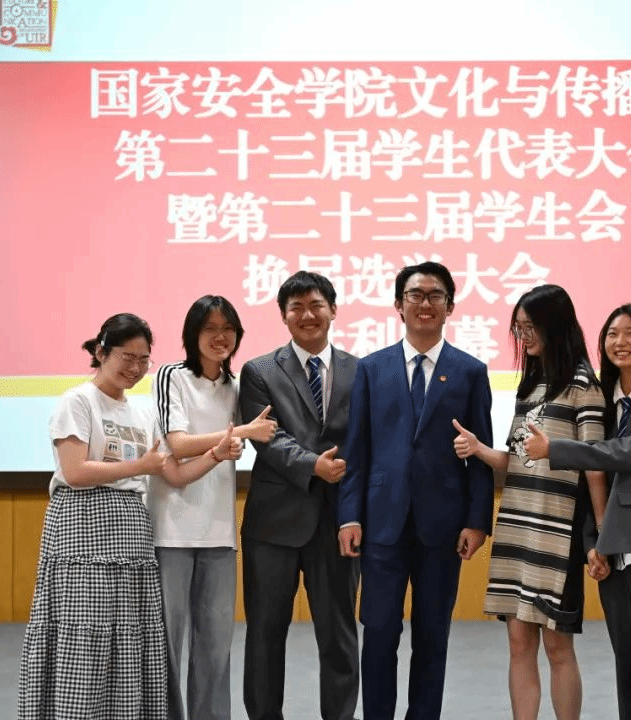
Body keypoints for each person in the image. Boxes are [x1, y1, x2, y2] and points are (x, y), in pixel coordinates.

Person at [18, 312, 242, 720]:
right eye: (127, 357)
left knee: (127, 639)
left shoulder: (142, 414)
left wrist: (216, 454)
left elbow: (174, 474)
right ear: (101, 352)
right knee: (84, 635)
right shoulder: (77, 401)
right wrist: (139, 467)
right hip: (81, 525)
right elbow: (74, 471)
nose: (136, 368)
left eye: (143, 360)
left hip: (131, 530)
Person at [337, 261, 495, 720]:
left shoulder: (470, 371)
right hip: (381, 524)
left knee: (432, 636)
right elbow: (357, 450)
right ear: (398, 305)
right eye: (415, 295)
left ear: (450, 306)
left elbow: (480, 453)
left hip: (443, 526)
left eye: (435, 295)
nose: (425, 304)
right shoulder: (372, 368)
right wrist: (349, 515)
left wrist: (477, 521)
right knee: (379, 633)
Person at [524, 303, 631, 720]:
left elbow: (627, 453)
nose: (621, 342)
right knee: (629, 668)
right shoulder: (600, 401)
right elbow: (592, 481)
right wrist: (591, 542)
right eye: (612, 334)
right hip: (613, 551)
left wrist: (556, 449)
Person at [452, 284, 608, 720]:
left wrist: (600, 533)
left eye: (531, 327)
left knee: (558, 646)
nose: (524, 337)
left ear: (555, 326)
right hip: (516, 527)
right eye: (519, 329)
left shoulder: (584, 387)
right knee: (519, 644)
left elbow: (595, 464)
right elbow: (520, 461)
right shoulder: (531, 386)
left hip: (556, 534)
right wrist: (479, 449)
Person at [238, 271, 361, 720]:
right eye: (296, 308)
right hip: (273, 525)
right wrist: (314, 466)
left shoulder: (360, 370)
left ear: (333, 309)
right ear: (284, 316)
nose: (307, 315)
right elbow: (267, 437)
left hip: (338, 523)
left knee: (339, 635)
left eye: (316, 305)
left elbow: (365, 440)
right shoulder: (259, 371)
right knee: (265, 634)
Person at [149, 296, 277, 720]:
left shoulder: (236, 387)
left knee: (215, 646)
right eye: (210, 328)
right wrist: (242, 432)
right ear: (193, 334)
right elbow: (177, 444)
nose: (220, 336)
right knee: (166, 643)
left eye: (228, 328)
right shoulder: (172, 375)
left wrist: (245, 432)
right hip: (171, 530)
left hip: (220, 532)